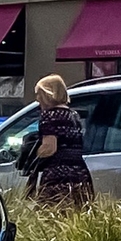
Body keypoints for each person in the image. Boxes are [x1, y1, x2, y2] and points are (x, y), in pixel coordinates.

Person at [23, 73, 93, 207]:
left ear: (47, 94)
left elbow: (50, 148)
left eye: (39, 94)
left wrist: (32, 155)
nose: (37, 99)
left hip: (58, 175)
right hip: (79, 173)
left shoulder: (50, 116)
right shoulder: (74, 115)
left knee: (50, 216)